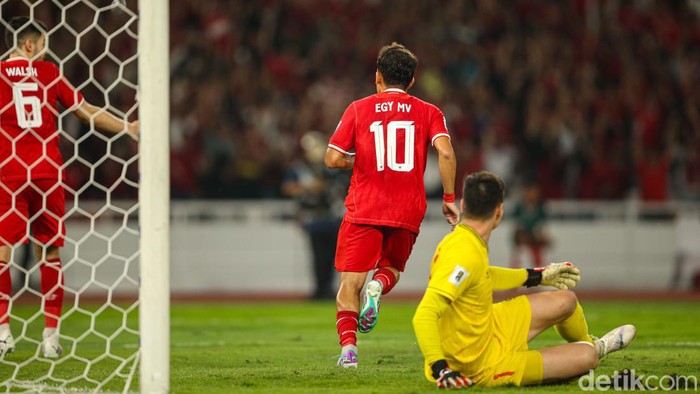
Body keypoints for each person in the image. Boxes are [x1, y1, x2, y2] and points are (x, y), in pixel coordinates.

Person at [413, 171, 636, 389]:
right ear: (499, 212)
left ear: (463, 206)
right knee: (587, 357)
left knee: (566, 300)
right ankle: (597, 348)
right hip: (479, 364)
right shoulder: (465, 253)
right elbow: (424, 314)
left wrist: (539, 276)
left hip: (490, 326)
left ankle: (587, 339)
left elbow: (484, 276)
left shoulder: (464, 240)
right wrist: (440, 368)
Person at [0, 17, 139, 358]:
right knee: (49, 253)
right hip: (47, 172)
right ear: (30, 45)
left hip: (9, 173)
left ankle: (3, 333)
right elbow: (87, 112)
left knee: (2, 255)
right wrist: (128, 127)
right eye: (44, 45)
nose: (47, 54)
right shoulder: (48, 74)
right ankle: (50, 339)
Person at [324, 42, 460, 368]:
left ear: (377, 77)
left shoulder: (358, 108)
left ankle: (349, 353)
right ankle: (378, 285)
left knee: (348, 285)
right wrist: (449, 199)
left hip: (365, 206)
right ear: (412, 81)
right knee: (392, 269)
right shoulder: (430, 112)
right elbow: (444, 152)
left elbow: (332, 158)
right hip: (407, 208)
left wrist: (361, 161)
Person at [282, 131, 349, 300]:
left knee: (332, 258)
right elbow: (287, 188)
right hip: (315, 219)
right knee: (319, 257)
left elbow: (342, 187)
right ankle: (321, 289)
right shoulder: (301, 169)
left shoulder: (329, 168)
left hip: (333, 218)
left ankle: (326, 289)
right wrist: (309, 187)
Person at [510, 180, 551, 268]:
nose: (531, 194)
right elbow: (516, 225)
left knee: (539, 262)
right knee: (519, 261)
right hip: (522, 241)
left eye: (534, 191)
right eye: (528, 191)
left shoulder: (540, 208)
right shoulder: (519, 207)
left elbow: (543, 227)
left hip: (535, 241)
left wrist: (539, 236)